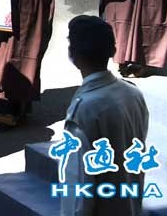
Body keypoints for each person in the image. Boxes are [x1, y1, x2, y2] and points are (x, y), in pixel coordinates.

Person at [59, 16, 149, 216]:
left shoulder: (84, 109)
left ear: (73, 55)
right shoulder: (133, 93)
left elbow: (79, 186)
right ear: (112, 51)